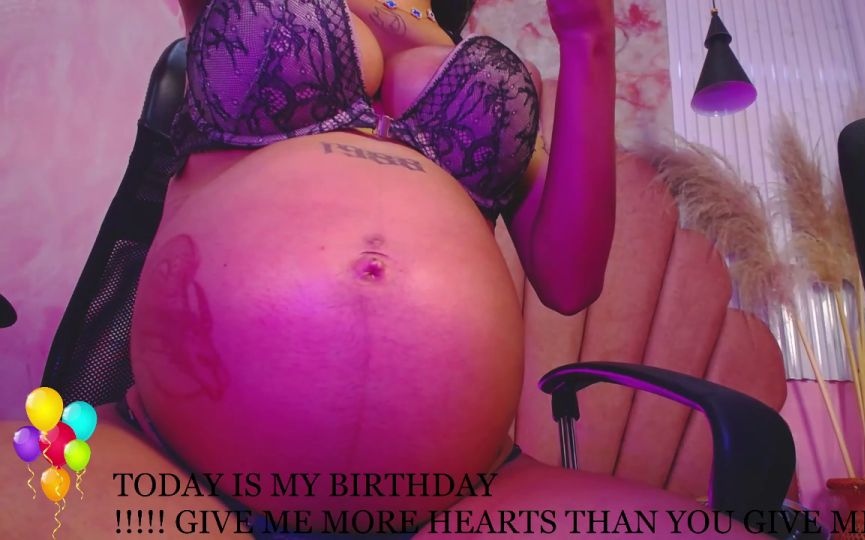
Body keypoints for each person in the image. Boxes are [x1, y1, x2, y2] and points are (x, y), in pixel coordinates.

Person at [2, 0, 759, 537]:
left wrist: (588, 36)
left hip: (466, 493)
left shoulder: (469, 51)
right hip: (170, 464)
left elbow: (569, 278)